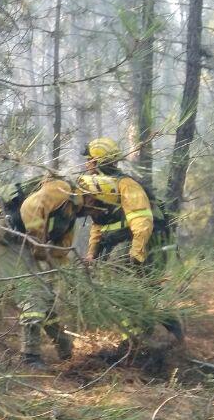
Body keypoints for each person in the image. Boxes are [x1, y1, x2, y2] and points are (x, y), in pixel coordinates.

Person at [77, 137, 184, 345]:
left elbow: (142, 222)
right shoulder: (100, 186)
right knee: (139, 290)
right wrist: (92, 253)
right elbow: (99, 223)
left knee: (127, 289)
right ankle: (161, 329)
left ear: (99, 162)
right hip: (116, 243)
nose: (86, 164)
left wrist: (136, 253)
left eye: (89, 159)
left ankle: (135, 339)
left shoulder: (126, 185)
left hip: (138, 243)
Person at [0, 176, 89, 368]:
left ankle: (65, 351)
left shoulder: (70, 213)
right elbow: (32, 207)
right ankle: (30, 356)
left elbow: (60, 251)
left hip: (26, 245)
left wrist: (62, 276)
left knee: (46, 298)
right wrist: (38, 242)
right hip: (7, 241)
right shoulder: (62, 190)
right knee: (33, 296)